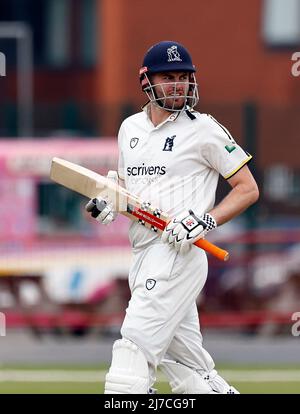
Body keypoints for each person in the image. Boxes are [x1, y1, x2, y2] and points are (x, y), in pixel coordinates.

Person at [86, 40, 259, 394]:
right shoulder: (129, 129)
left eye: (184, 77)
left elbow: (247, 188)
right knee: (190, 372)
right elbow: (127, 189)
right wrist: (108, 199)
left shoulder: (204, 128)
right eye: (169, 77)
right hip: (143, 254)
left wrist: (204, 221)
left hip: (178, 253)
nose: (178, 84)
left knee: (130, 361)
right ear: (146, 81)